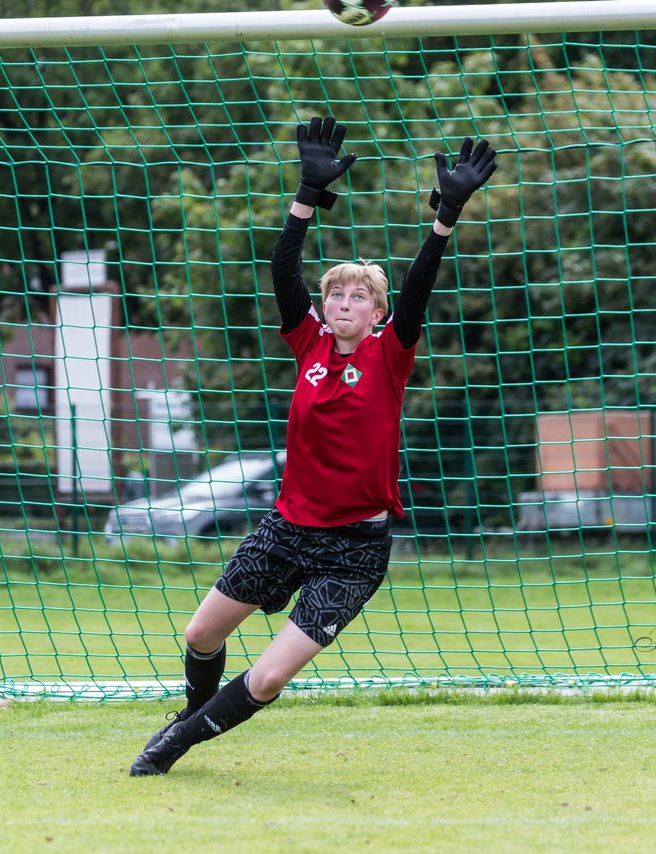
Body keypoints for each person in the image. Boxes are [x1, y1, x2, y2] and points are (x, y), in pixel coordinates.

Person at [130, 116, 496, 776]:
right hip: (287, 529)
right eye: (336, 294)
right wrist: (306, 195)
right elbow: (282, 265)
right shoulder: (309, 345)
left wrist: (443, 219)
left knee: (268, 678)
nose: (345, 301)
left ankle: (173, 746)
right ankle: (190, 712)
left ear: (377, 312)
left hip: (353, 551)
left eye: (360, 295)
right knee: (201, 634)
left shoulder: (390, 353)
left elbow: (417, 287)